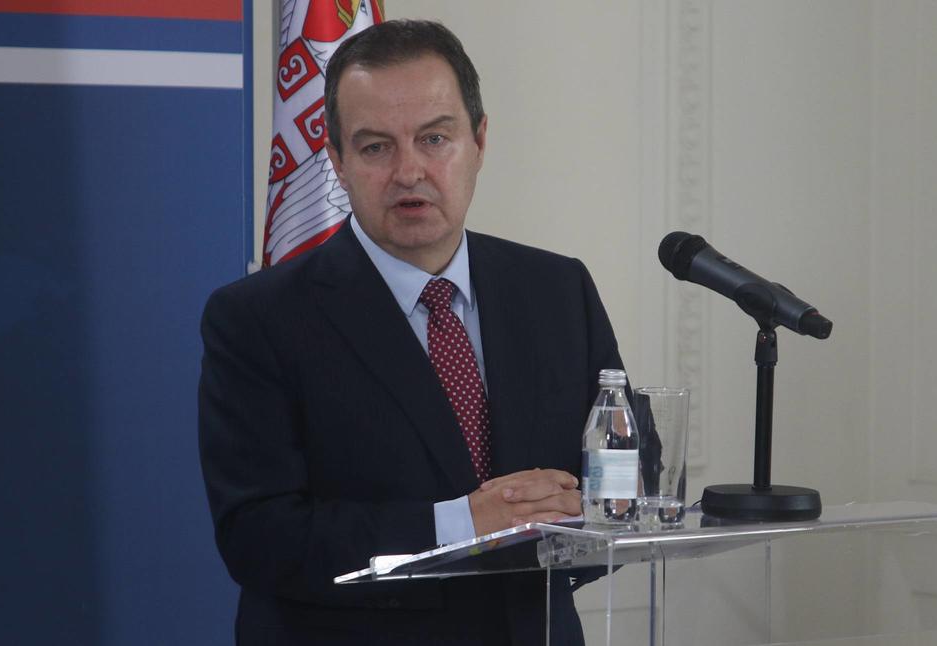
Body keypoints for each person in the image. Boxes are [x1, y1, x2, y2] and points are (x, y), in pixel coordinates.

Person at [198, 19, 625, 646]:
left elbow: (623, 476)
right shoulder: (258, 319)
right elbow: (260, 538)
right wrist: (462, 525)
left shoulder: (558, 289)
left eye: (434, 138)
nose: (409, 171)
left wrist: (583, 512)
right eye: (376, 147)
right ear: (337, 161)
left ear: (479, 141)